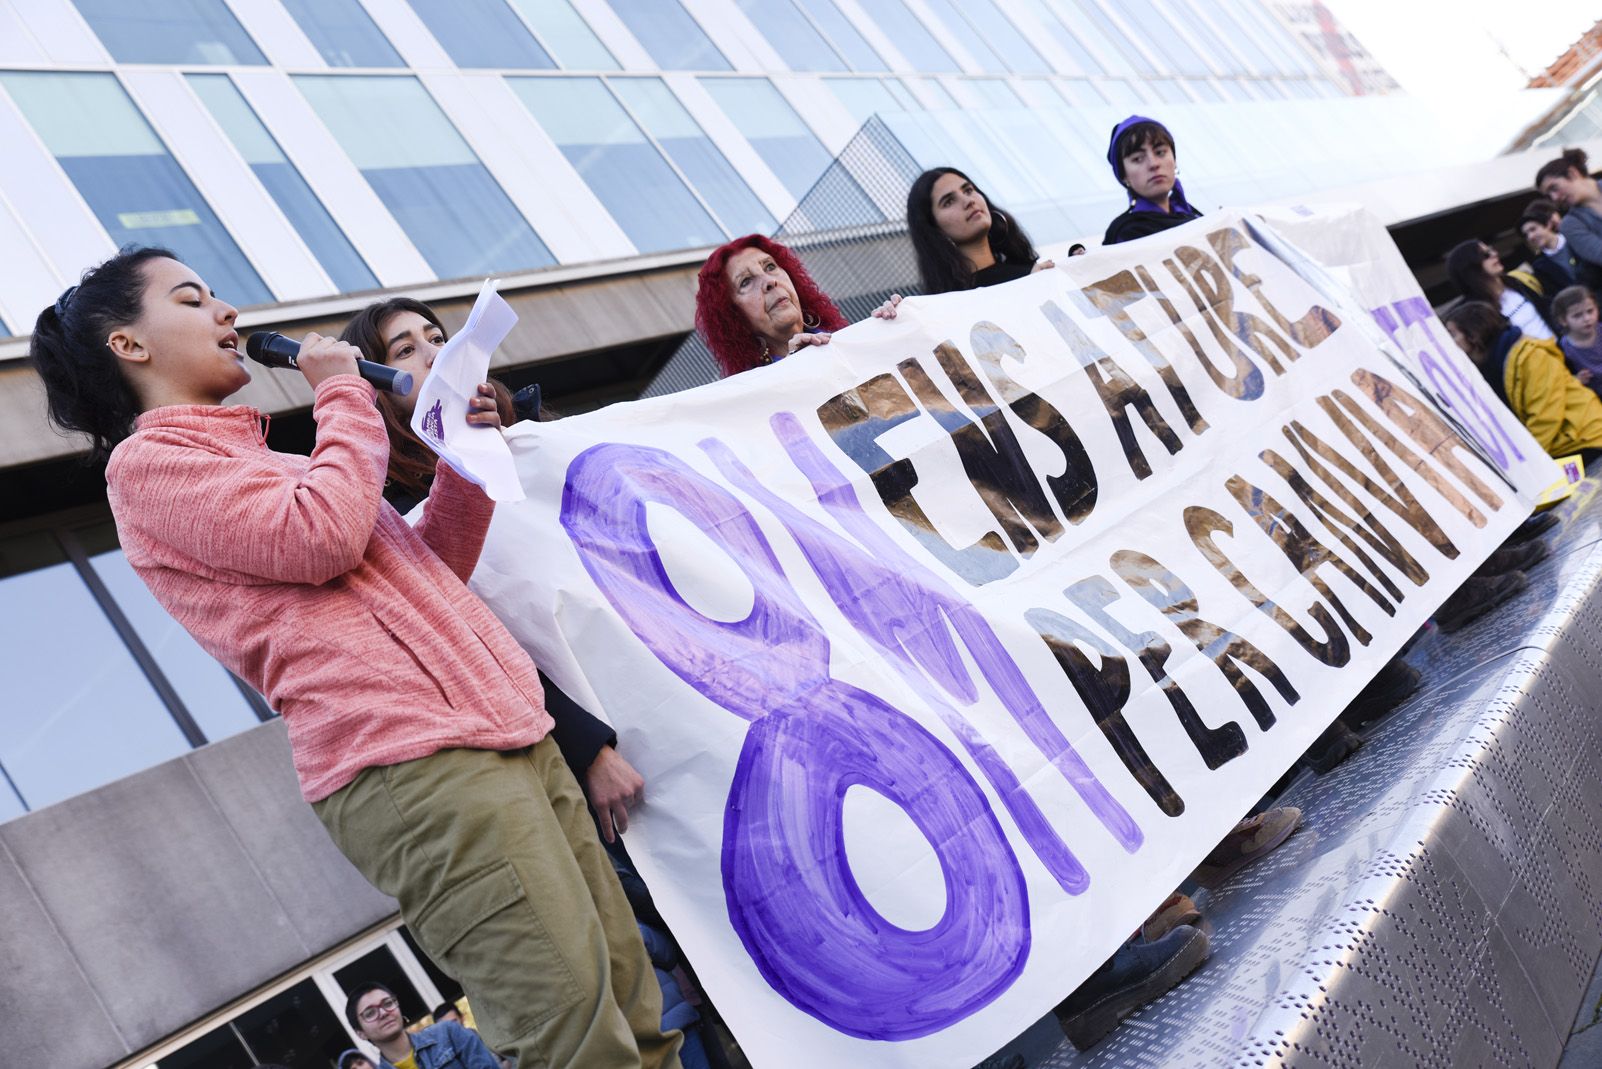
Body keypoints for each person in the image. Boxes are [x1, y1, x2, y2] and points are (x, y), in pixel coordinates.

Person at [30, 247, 680, 1069]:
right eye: (192, 299)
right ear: (128, 344)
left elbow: (428, 565)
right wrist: (342, 392)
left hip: (508, 732)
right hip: (415, 764)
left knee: (633, 1007)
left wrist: (462, 453)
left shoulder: (282, 462)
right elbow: (320, 536)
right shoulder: (150, 468)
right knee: (573, 1033)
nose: (226, 312)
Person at [339, 297, 646, 844]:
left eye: (437, 337)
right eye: (405, 351)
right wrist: (587, 748)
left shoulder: (538, 438)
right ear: (378, 389)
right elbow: (479, 642)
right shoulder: (397, 517)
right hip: (597, 739)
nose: (434, 354)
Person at [1443, 300, 1602, 463]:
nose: (1447, 342)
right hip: (1558, 448)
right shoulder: (1485, 368)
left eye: (1452, 334)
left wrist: (1527, 462)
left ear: (1474, 334)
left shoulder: (1531, 355)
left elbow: (1545, 417)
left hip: (1583, 440)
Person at [694, 234, 848, 377]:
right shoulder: (755, 391)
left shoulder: (846, 338)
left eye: (770, 266)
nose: (770, 281)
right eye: (746, 281)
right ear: (734, 316)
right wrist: (793, 368)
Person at [905, 166, 1055, 293]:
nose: (968, 201)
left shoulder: (1036, 272)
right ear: (934, 229)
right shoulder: (944, 308)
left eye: (968, 190)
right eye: (949, 201)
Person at [1102, 115, 1203, 245]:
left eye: (1160, 152)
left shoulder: (1192, 215)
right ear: (1124, 175)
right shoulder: (1127, 234)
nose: (1153, 164)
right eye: (1138, 159)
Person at [348, 983, 500, 1069]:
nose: (383, 1013)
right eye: (370, 1013)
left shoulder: (448, 1033)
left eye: (387, 1003)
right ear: (360, 1033)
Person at [1444, 240, 1555, 340]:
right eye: (1485, 255)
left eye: (1491, 250)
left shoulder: (1516, 282)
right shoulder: (1477, 312)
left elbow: (1546, 309)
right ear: (1471, 267)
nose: (1494, 254)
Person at [1536, 148, 1602, 281]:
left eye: (1554, 188)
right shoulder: (1570, 224)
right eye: (1549, 195)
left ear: (1572, 173)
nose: (1554, 197)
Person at [1520, 199, 1601, 293]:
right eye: (1526, 235)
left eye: (1533, 229)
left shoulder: (1576, 238)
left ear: (1548, 224)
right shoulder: (1539, 266)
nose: (1530, 236)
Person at [1553, 285, 1602, 388]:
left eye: (1590, 311)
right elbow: (1565, 376)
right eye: (1577, 315)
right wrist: (1577, 379)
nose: (1587, 318)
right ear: (1563, 320)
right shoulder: (1565, 348)